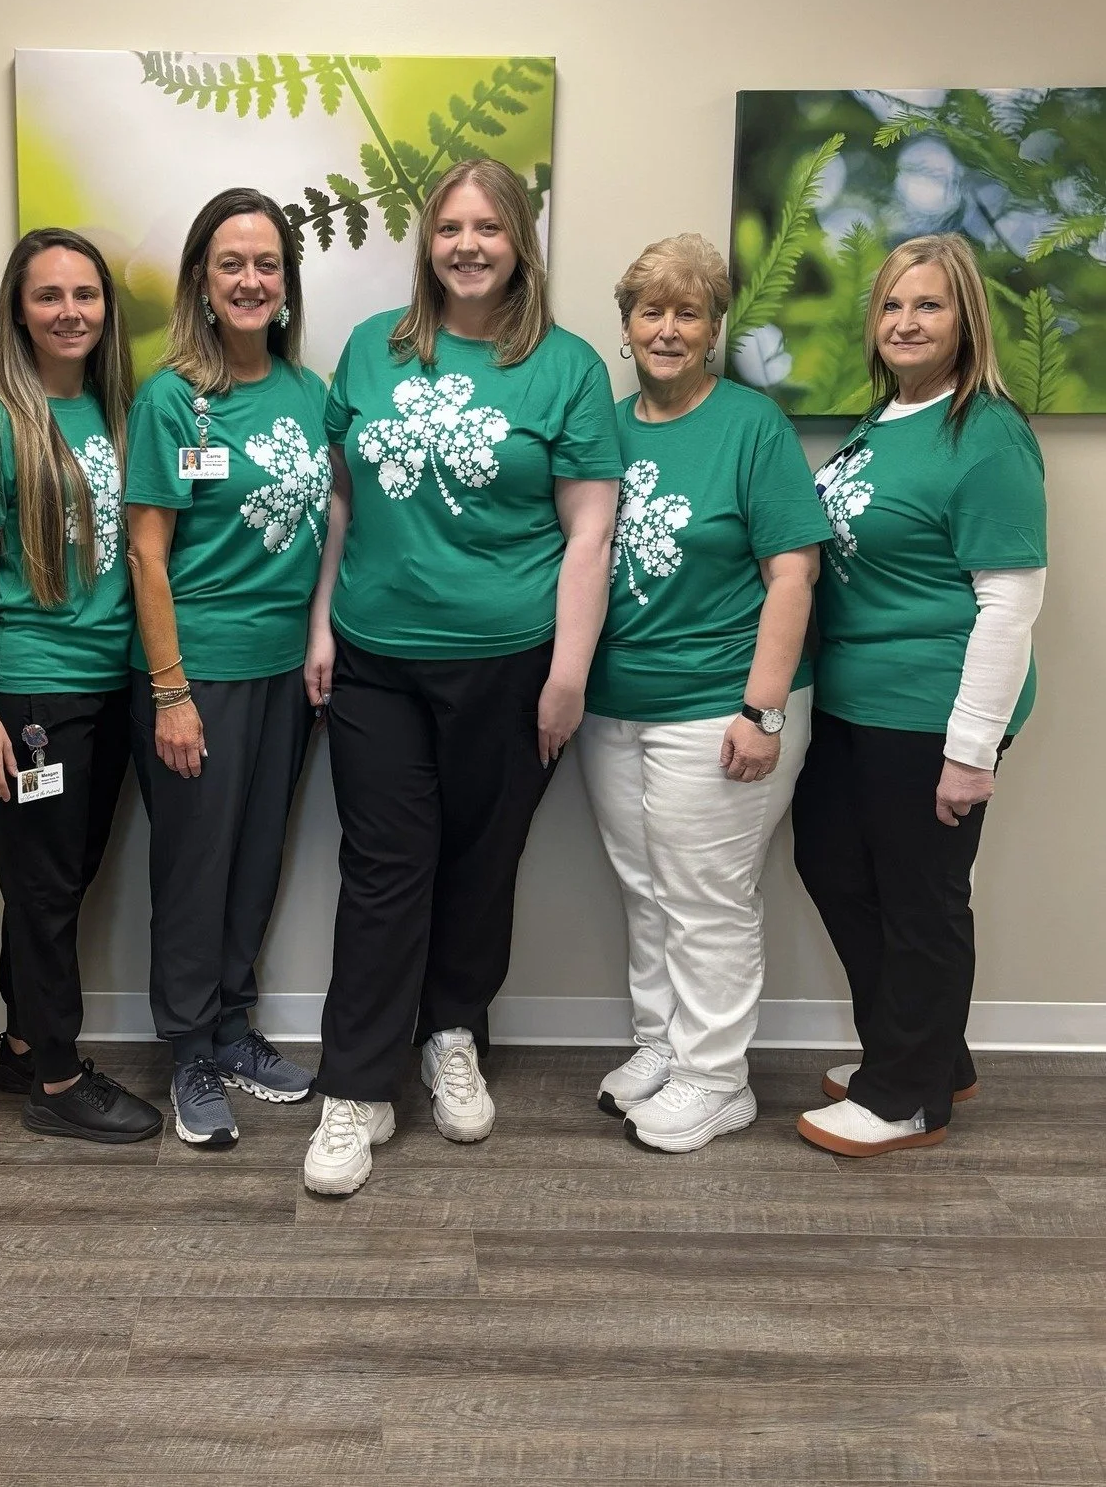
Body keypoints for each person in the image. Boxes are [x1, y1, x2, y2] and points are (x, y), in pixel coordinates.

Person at [302, 158, 622, 1196]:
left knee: (482, 862)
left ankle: (450, 1032)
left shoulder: (566, 367)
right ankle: (356, 1085)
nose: (467, 245)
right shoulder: (372, 348)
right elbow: (342, 501)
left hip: (511, 663)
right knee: (382, 867)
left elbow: (589, 532)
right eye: (449, 228)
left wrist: (567, 673)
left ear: (519, 241)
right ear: (426, 242)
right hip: (376, 659)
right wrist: (320, 624)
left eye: (488, 227)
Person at [793, 233, 1047, 1157]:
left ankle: (905, 1095)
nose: (905, 322)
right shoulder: (887, 417)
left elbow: (1009, 604)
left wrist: (970, 750)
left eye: (928, 305)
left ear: (964, 319)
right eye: (892, 305)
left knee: (919, 901)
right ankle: (929, 1054)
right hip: (856, 702)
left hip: (932, 710)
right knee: (832, 865)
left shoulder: (986, 433)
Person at [576, 234, 830, 1152]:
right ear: (626, 325)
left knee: (705, 897)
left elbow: (793, 573)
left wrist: (762, 711)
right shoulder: (602, 426)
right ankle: (663, 1044)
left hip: (722, 704)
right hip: (614, 706)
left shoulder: (750, 426)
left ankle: (717, 1079)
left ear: (714, 328)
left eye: (688, 313)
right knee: (646, 887)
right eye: (651, 311)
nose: (668, 330)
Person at [0, 227, 162, 1146]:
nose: (70, 312)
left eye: (85, 294)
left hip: (108, 688)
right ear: (19, 312)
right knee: (42, 888)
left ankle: (25, 1043)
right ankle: (60, 1083)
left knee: (62, 879)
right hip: (31, 698)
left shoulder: (120, 414)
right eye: (48, 296)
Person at [125, 189, 328, 1146]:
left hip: (285, 672)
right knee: (194, 868)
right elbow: (146, 554)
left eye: (266, 265)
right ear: (201, 285)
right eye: (231, 265)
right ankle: (189, 1053)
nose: (251, 281)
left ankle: (235, 1029)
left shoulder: (309, 393)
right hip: (195, 672)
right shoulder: (171, 399)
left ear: (286, 285)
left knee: (254, 861)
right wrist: (171, 692)